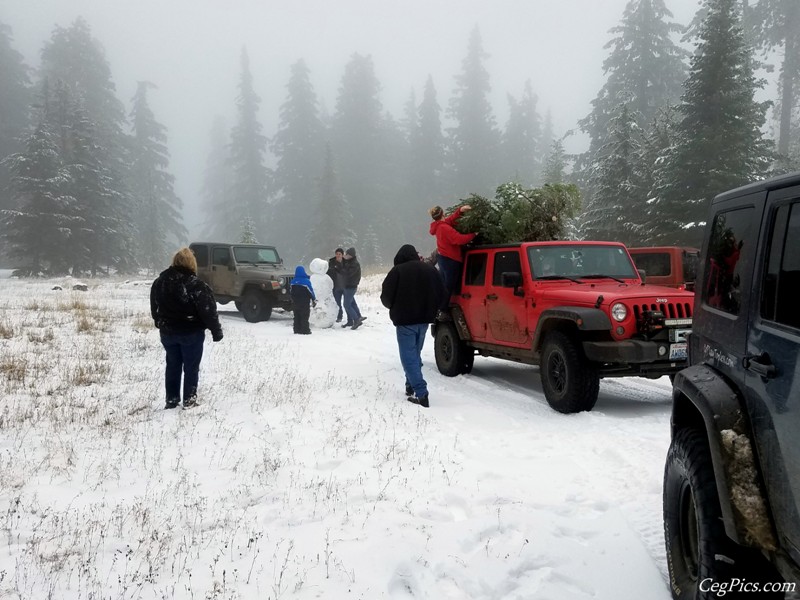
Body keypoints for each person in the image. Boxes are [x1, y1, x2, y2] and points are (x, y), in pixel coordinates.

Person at [150, 247, 223, 409]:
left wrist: (159, 322)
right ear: (192, 263)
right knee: (191, 367)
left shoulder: (159, 282)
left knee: (172, 365)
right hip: (191, 332)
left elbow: (154, 306)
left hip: (168, 332)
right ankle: (189, 400)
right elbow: (208, 310)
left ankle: (171, 399)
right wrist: (216, 330)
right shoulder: (196, 285)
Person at [381, 244, 446, 408]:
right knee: (415, 354)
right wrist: (434, 308)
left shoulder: (397, 272)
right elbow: (443, 293)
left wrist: (395, 307)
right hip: (424, 320)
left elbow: (386, 297)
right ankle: (410, 385)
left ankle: (421, 393)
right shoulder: (430, 270)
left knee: (408, 357)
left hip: (405, 321)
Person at [429, 204, 476, 317]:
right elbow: (458, 239)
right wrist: (474, 234)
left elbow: (449, 220)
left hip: (443, 258)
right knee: (449, 285)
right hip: (450, 259)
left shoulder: (439, 225)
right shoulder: (444, 228)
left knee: (444, 283)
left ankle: (438, 306)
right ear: (442, 214)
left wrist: (460, 211)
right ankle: (442, 309)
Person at [342, 247, 365, 330]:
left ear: (350, 255)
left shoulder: (354, 264)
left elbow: (348, 274)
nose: (345, 256)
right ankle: (351, 320)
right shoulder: (349, 262)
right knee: (351, 303)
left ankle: (356, 320)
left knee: (347, 305)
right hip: (347, 286)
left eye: (346, 254)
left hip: (350, 286)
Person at [290, 265, 316, 334]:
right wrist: (313, 299)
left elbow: (291, 292)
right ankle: (305, 330)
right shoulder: (306, 281)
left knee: (296, 316)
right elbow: (310, 291)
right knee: (304, 316)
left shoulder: (293, 281)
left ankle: (296, 329)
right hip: (304, 303)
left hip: (295, 302)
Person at [326, 248, 346, 322]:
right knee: (337, 303)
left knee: (347, 303)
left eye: (339, 254)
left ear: (342, 255)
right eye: (337, 254)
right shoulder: (331, 262)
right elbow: (328, 273)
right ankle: (339, 316)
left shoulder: (346, 262)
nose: (338, 255)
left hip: (345, 286)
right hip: (336, 286)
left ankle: (351, 318)